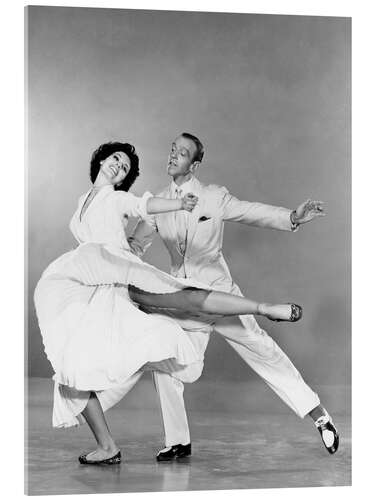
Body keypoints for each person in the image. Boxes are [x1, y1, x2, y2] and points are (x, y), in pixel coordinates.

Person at [34, 141, 303, 465]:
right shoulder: (82, 201)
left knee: (182, 294)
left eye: (125, 167)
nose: (119, 166)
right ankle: (107, 447)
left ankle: (264, 308)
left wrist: (176, 206)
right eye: (116, 159)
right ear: (102, 159)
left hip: (118, 275)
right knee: (69, 370)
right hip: (91, 282)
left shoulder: (116, 197)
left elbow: (141, 206)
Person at [128, 132, 339, 461]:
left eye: (182, 153)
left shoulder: (214, 197)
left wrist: (293, 217)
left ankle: (319, 416)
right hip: (184, 304)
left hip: (222, 298)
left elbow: (251, 211)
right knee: (165, 361)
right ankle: (178, 441)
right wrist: (112, 257)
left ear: (194, 164)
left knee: (265, 352)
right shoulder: (158, 203)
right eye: (172, 150)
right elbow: (135, 247)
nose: (173, 156)